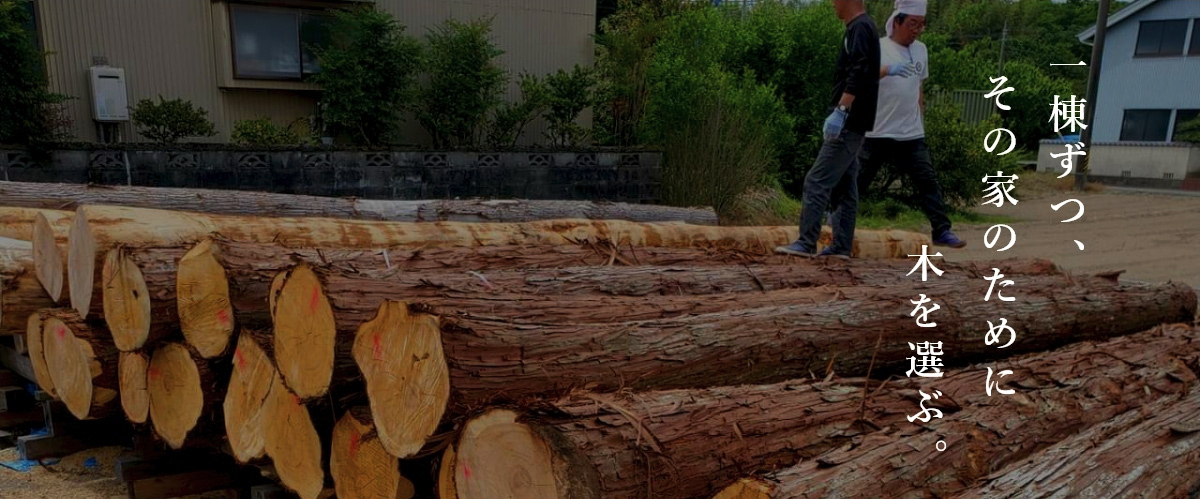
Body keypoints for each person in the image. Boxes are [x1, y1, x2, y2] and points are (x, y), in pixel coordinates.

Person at [842, 0, 967, 248]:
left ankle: (941, 230)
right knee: (856, 181)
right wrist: (887, 70)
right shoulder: (878, 47)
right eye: (912, 24)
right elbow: (861, 76)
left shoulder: (921, 50)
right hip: (878, 130)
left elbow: (919, 87)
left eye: (921, 25)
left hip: (911, 134)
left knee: (927, 181)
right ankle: (835, 222)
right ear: (897, 21)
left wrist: (921, 114)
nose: (917, 30)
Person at [775, 0, 880, 259]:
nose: (833, 3)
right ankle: (841, 247)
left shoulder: (860, 28)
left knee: (817, 180)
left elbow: (860, 69)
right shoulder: (861, 28)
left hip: (849, 121)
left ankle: (807, 242)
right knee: (845, 187)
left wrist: (841, 110)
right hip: (854, 121)